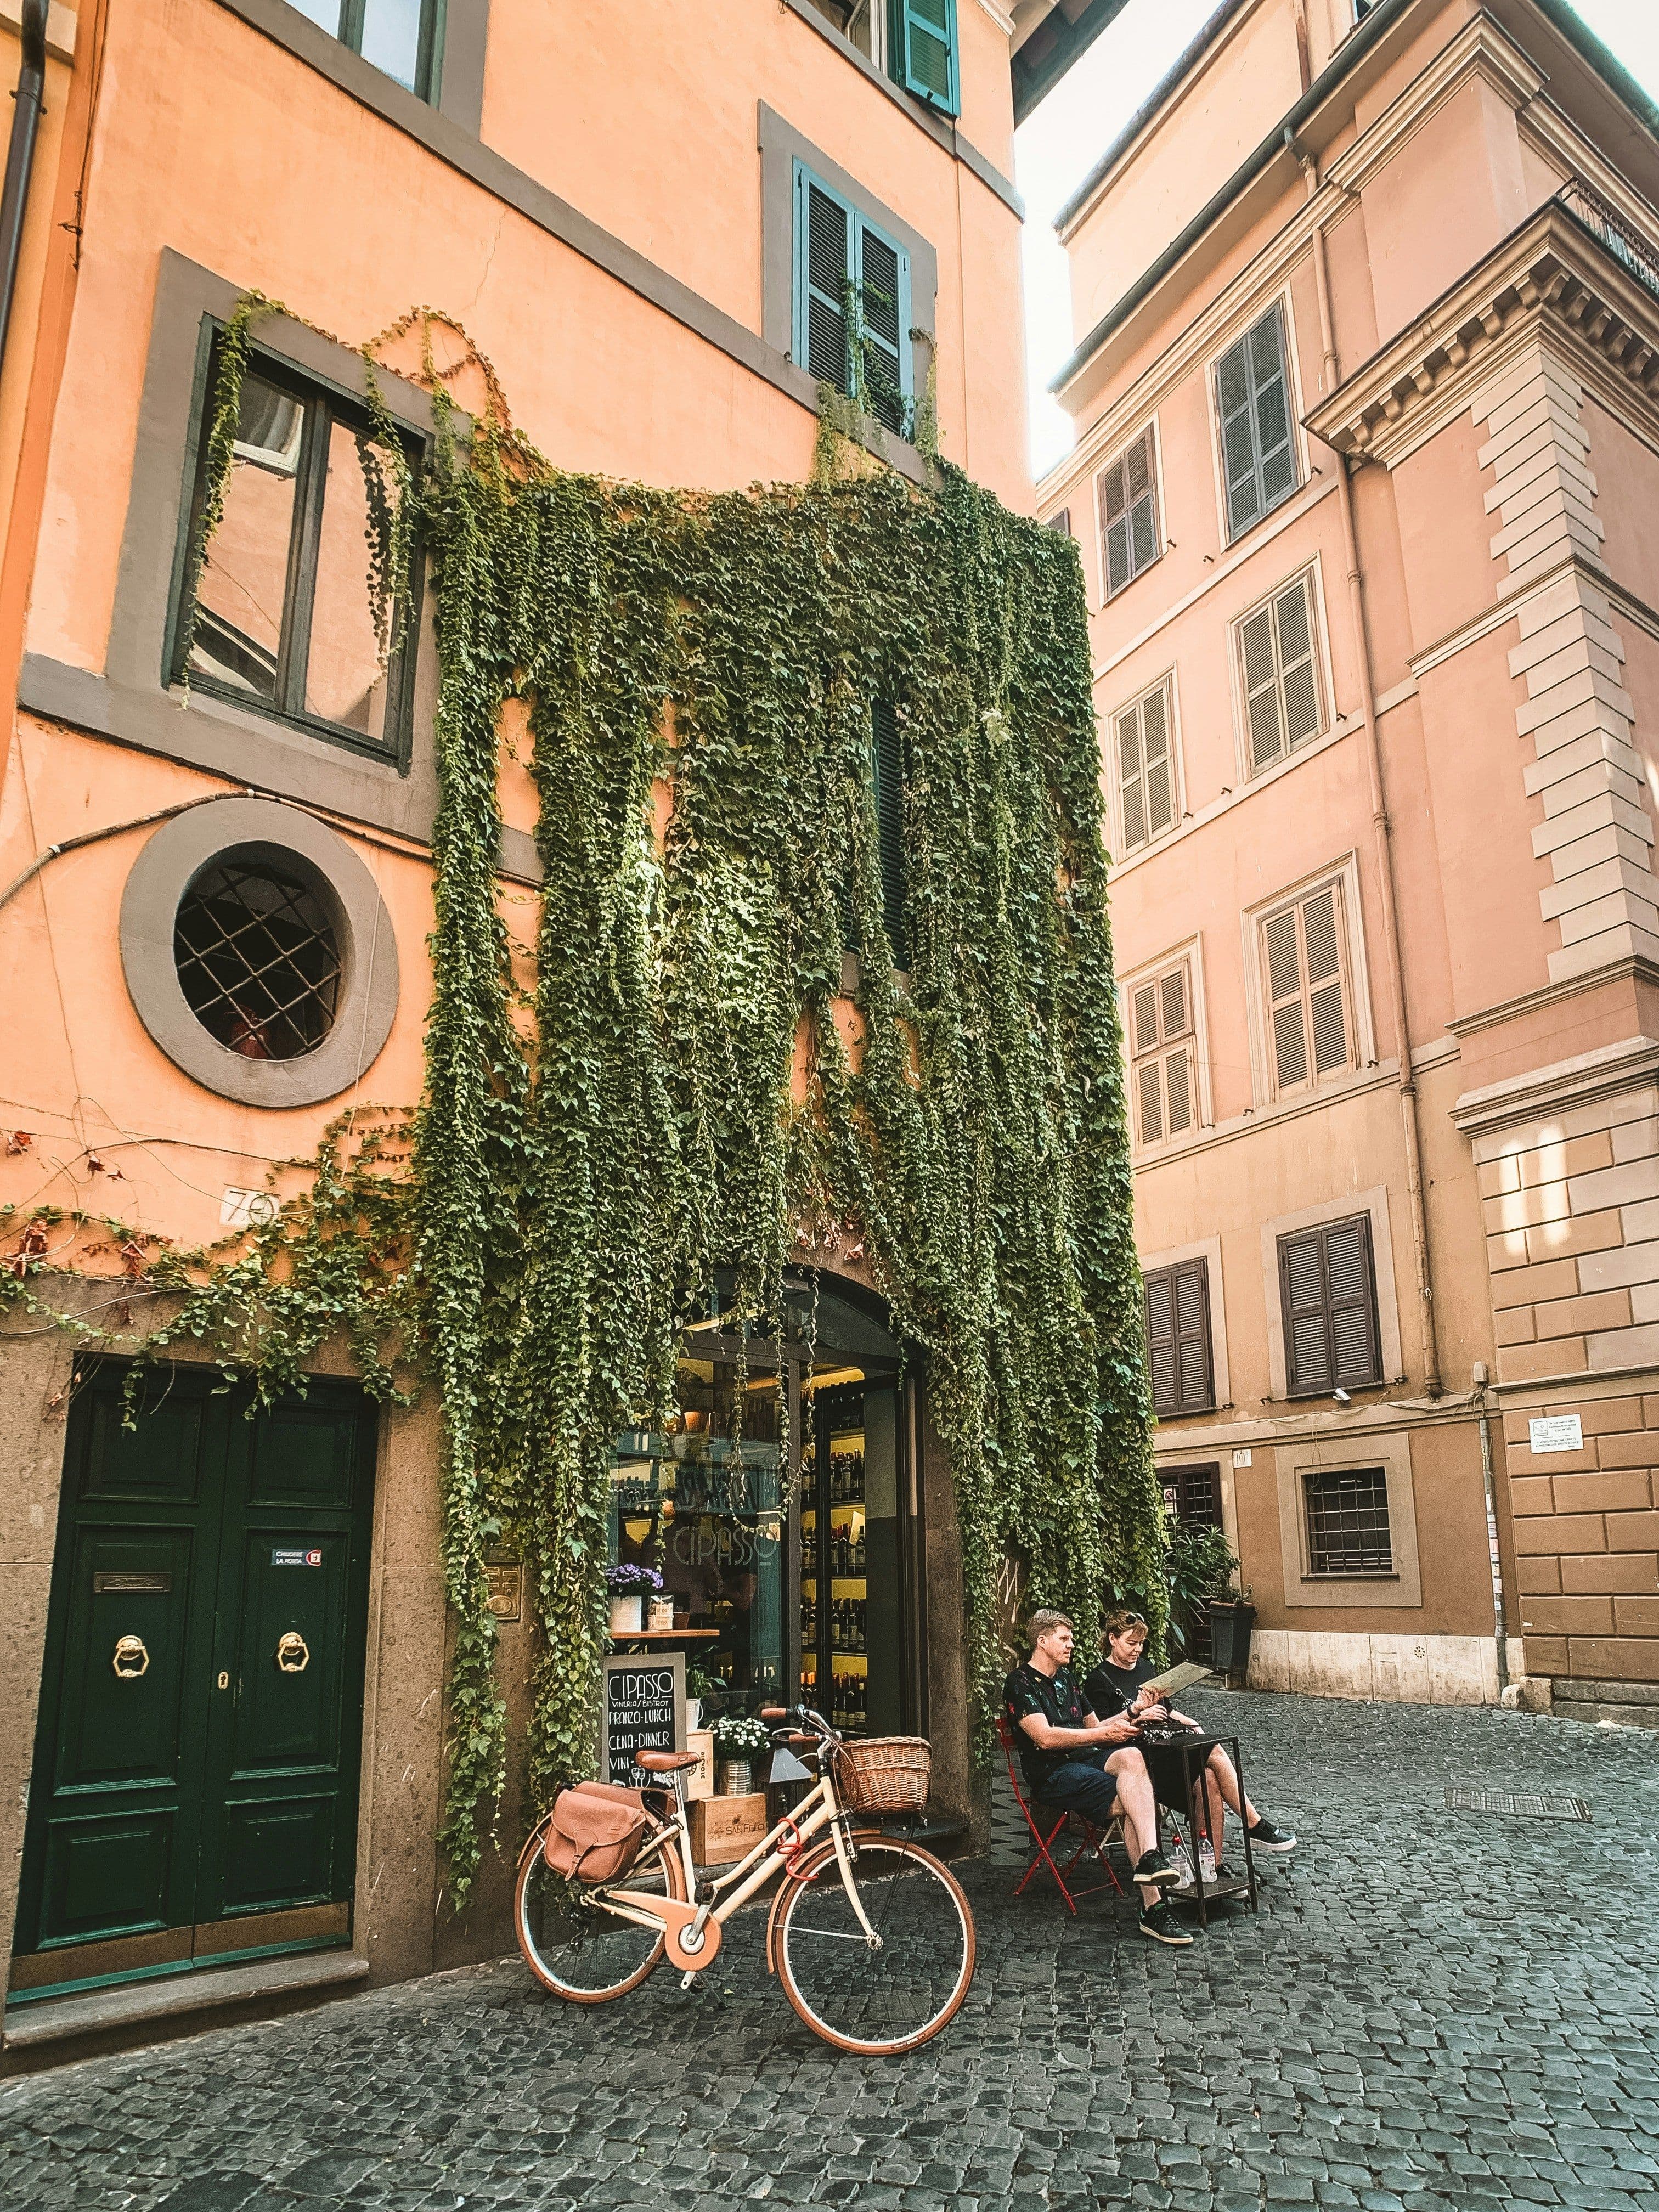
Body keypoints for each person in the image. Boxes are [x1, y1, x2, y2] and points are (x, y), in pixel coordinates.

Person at [1003, 1608, 1192, 1946]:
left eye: (1071, 1638)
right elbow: (1045, 1738)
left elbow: (1094, 1727)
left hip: (1086, 1762)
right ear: (1042, 1641)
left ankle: (1149, 1857)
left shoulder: (1068, 1678)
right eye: (1065, 1638)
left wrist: (1133, 1712)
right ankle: (1154, 1906)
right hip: (1054, 1774)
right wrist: (1105, 1738)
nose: (1072, 1645)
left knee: (1133, 1757)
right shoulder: (1020, 1682)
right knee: (1136, 1798)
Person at [1083, 1608, 1297, 1883]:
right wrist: (1137, 1715)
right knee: (1214, 1750)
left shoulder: (1147, 1669)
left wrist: (1190, 1722)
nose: (1137, 1649)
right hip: (1137, 1759)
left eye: (1141, 1644)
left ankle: (1213, 1867)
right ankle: (1254, 1824)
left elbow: (1167, 1710)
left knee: (1209, 1778)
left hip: (1166, 1747)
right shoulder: (1098, 1679)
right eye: (1131, 1643)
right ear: (1113, 1639)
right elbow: (1101, 1733)